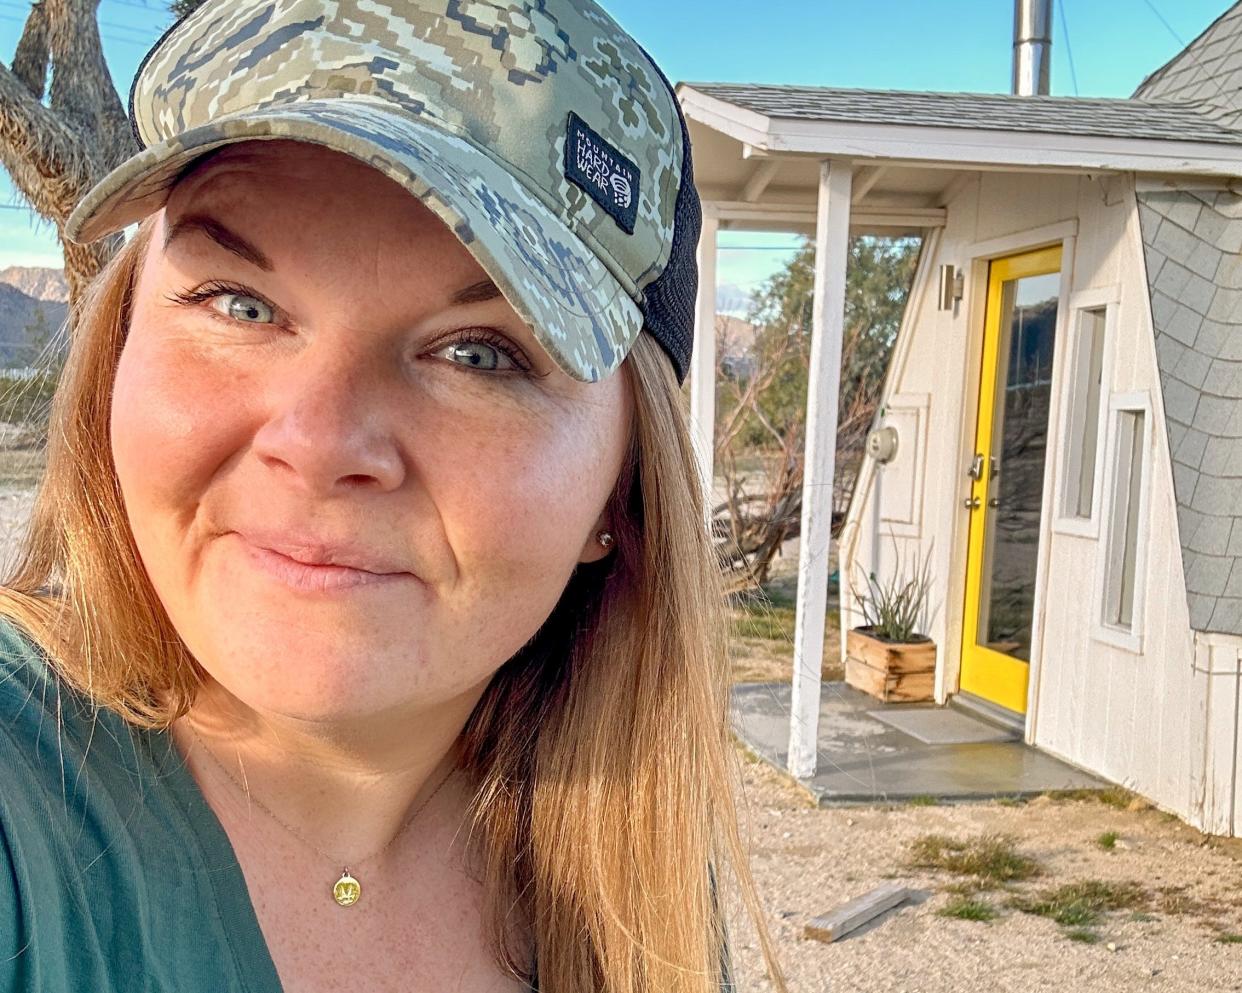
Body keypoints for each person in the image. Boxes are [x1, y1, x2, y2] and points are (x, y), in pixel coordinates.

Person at [0, 2, 785, 991]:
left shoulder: (629, 887)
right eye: (239, 304)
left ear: (618, 498)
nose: (318, 443)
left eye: (479, 354)